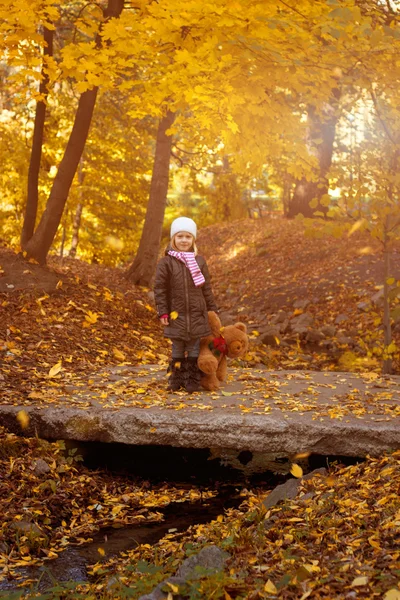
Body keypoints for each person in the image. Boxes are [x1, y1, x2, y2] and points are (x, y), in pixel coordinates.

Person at [154, 217, 218, 393]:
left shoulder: (199, 261)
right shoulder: (166, 263)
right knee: (177, 347)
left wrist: (212, 309)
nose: (184, 240)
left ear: (193, 240)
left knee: (194, 347)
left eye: (188, 237)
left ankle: (192, 378)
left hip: (197, 314)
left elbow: (207, 288)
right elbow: (160, 289)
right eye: (180, 236)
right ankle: (176, 378)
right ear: (174, 238)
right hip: (176, 314)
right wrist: (163, 312)